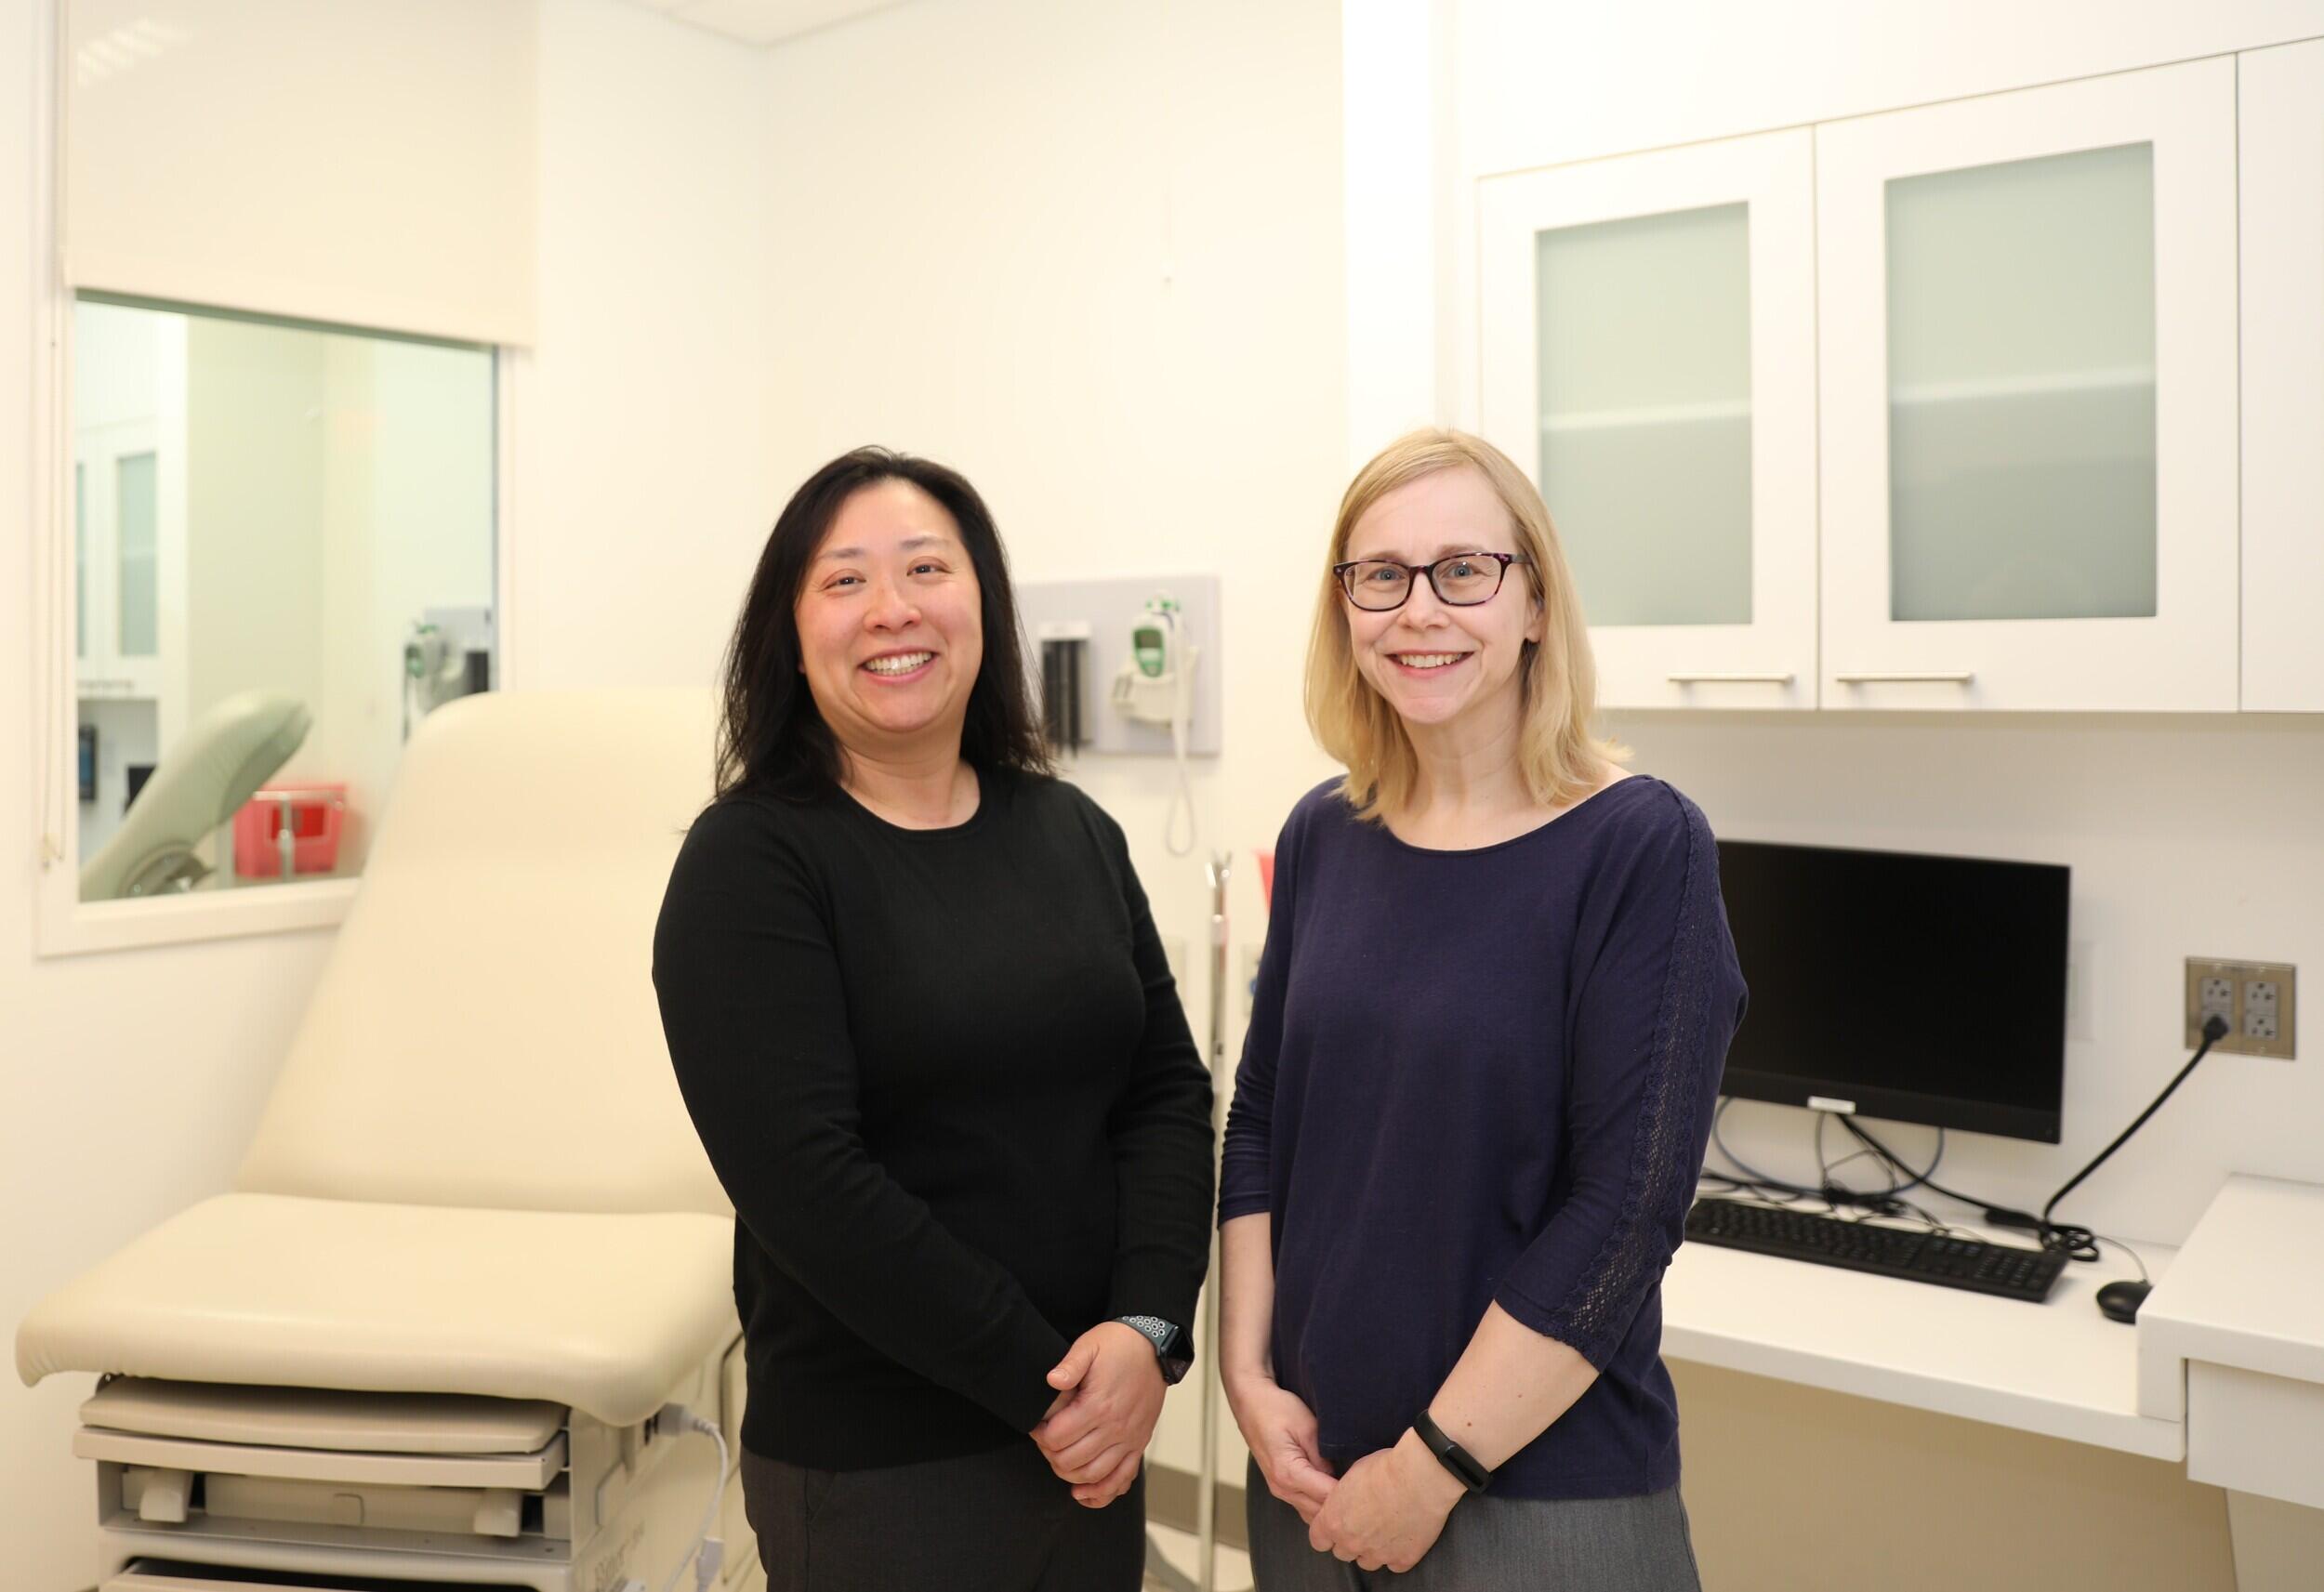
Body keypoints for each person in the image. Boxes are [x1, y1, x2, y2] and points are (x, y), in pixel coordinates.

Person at [654, 447, 1216, 1591]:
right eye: (844, 580)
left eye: (925, 567)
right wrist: (1048, 1388)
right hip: (884, 1463)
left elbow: (1164, 1092)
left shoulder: (1072, 832)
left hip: (1092, 1430)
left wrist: (1147, 1331)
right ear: (790, 631)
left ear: (984, 605)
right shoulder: (752, 863)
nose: (892, 610)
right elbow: (810, 1184)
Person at [1219, 428, 1749, 1589]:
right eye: (1381, 576)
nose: (1418, 611)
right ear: (1345, 607)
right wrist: (1247, 1380)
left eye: (1464, 570)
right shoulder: (1325, 831)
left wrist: (1433, 1466)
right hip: (1311, 1472)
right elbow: (1262, 1122)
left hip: (1534, 1493)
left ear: (1536, 605)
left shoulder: (1639, 844)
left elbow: (1623, 1212)